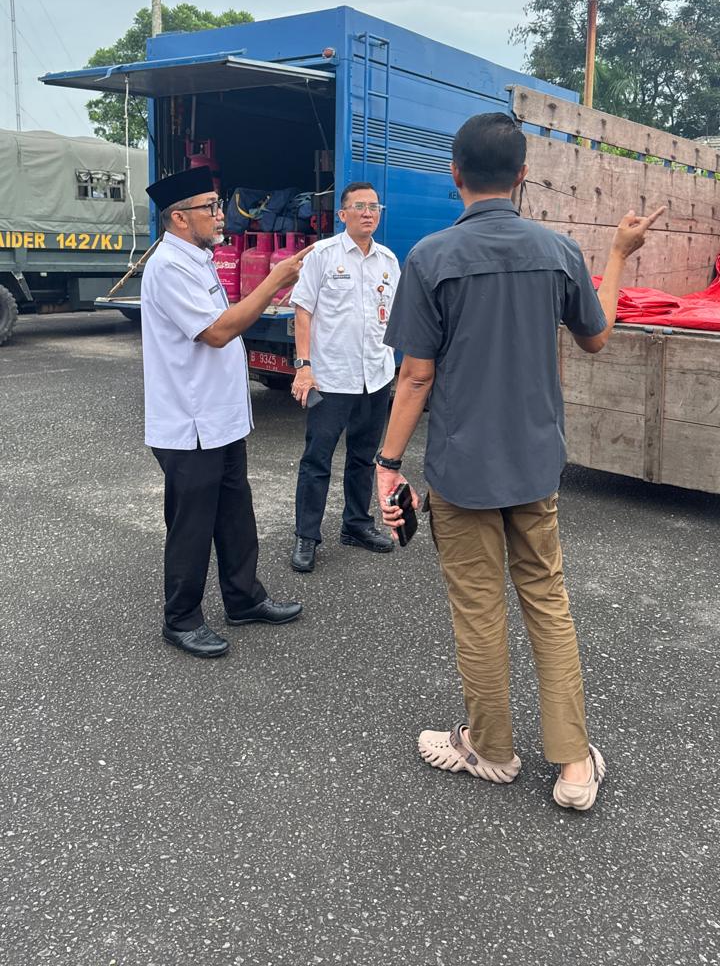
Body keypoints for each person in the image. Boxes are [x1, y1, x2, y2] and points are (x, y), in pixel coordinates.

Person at [375, 113, 664, 810]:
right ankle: (572, 767)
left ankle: (491, 749)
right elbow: (596, 338)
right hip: (535, 464)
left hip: (461, 468)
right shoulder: (559, 251)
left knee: (478, 609)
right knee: (548, 604)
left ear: (455, 175)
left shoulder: (430, 257)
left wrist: (386, 462)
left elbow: (415, 378)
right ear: (524, 175)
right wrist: (620, 254)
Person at [142, 165, 309, 659]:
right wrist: (276, 280)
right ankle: (181, 618)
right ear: (178, 218)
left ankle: (243, 598)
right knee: (192, 524)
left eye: (217, 205)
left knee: (235, 513)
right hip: (189, 423)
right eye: (210, 207)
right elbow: (216, 331)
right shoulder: (168, 266)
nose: (220, 215)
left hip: (220, 417)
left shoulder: (198, 257)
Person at [289, 182, 402, 573]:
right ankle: (307, 536)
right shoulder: (324, 254)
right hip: (332, 377)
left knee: (362, 457)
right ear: (343, 214)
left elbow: (396, 316)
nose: (368, 213)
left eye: (374, 206)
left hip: (376, 375)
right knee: (317, 459)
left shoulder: (388, 260)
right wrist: (304, 367)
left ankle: (356, 524)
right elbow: (302, 310)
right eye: (359, 206)